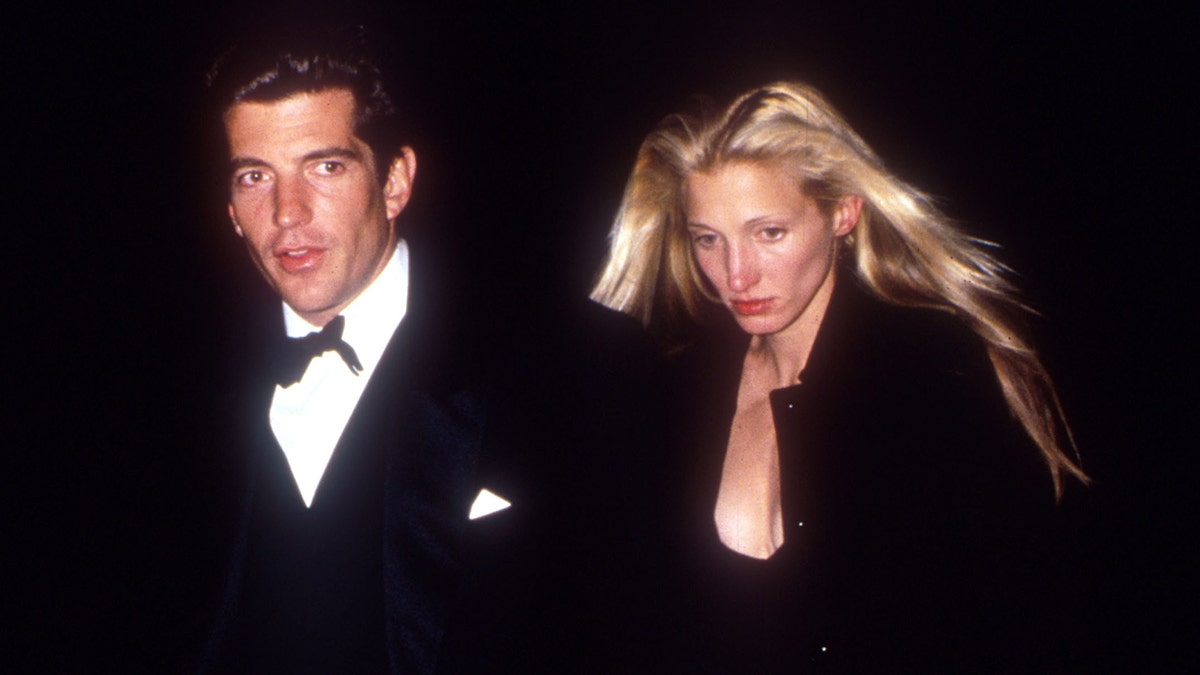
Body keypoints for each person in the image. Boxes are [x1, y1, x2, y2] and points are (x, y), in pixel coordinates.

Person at [195, 25, 662, 673]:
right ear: (229, 206)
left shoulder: (566, 364)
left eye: (325, 166)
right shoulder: (175, 395)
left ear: (395, 181)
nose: (287, 212)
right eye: (254, 176)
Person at [591, 81, 1088, 670]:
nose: (736, 275)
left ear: (843, 210)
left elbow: (1024, 621)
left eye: (769, 232)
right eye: (708, 240)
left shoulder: (936, 377)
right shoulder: (676, 388)